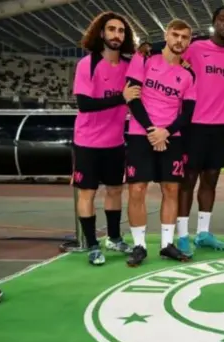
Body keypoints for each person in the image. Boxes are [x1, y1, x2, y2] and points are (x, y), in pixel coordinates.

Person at [123, 18, 197, 266]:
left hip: (170, 138)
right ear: (166, 35)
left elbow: (187, 113)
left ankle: (167, 244)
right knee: (137, 189)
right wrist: (152, 130)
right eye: (175, 34)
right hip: (139, 134)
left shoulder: (188, 74)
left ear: (189, 41)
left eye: (185, 37)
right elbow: (132, 99)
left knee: (171, 189)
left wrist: (165, 132)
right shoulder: (144, 60)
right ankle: (139, 246)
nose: (179, 40)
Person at [177, 7, 224, 253]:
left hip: (220, 128)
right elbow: (175, 63)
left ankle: (203, 233)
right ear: (213, 23)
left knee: (210, 181)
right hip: (194, 125)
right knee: (188, 181)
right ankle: (183, 236)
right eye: (222, 20)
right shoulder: (195, 48)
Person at [72, 11, 136, 266]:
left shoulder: (129, 66)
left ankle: (114, 237)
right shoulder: (87, 64)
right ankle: (92, 244)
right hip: (87, 141)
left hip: (115, 142)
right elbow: (84, 104)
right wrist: (122, 97)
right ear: (101, 33)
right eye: (112, 30)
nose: (116, 35)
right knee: (87, 193)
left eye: (121, 31)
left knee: (114, 191)